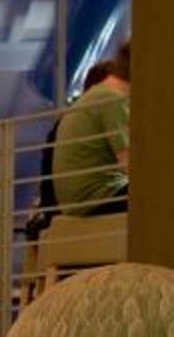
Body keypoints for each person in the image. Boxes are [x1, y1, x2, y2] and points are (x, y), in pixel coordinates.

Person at [49, 40, 131, 217]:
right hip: (96, 196)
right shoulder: (113, 99)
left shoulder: (99, 94)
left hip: (81, 197)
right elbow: (129, 162)